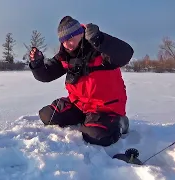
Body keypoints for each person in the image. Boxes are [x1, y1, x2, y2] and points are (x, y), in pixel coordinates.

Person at [29, 16, 133, 147]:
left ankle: (121, 122)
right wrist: (37, 64)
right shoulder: (65, 55)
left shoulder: (100, 50)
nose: (67, 44)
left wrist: (101, 39)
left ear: (80, 33)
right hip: (80, 104)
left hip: (106, 107)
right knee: (47, 115)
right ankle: (87, 118)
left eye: (70, 39)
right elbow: (46, 75)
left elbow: (126, 54)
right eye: (63, 41)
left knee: (96, 135)